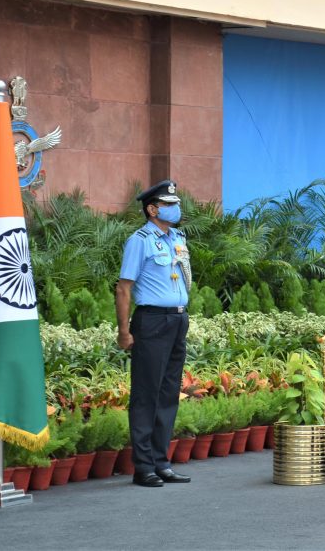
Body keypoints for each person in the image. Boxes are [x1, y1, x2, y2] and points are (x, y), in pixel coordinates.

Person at [115, 179, 193, 487]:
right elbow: (124, 289)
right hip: (151, 321)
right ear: (152, 209)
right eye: (169, 205)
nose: (176, 209)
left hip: (177, 321)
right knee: (147, 394)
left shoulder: (177, 238)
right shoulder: (140, 240)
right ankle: (143, 466)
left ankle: (162, 461)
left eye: (175, 204)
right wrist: (124, 331)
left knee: (168, 393)